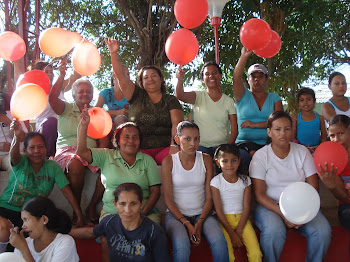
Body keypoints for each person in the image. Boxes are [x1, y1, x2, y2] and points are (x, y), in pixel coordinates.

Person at [249, 111, 331, 262]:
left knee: (322, 231)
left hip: (303, 204)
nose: (283, 134)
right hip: (271, 205)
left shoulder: (302, 152)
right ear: (269, 132)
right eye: (277, 129)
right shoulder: (260, 156)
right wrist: (284, 213)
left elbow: (313, 188)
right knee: (273, 231)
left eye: (287, 129)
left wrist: (301, 213)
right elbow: (259, 194)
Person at [0, 122, 84, 253]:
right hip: (6, 209)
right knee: (4, 230)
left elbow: (67, 191)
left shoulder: (52, 166)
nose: (36, 151)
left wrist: (79, 215)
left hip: (33, 217)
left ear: (46, 148)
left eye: (40, 147)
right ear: (26, 151)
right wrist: (16, 138)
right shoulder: (21, 161)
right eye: (32, 148)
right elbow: (14, 156)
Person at [106, 38, 184, 165]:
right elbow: (120, 76)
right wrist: (114, 53)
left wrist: (174, 147)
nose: (150, 79)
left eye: (154, 76)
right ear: (141, 82)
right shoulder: (136, 95)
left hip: (166, 148)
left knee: (173, 161)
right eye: (145, 77)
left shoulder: (170, 100)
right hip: (139, 149)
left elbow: (177, 124)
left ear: (161, 79)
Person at [76, 107, 162, 223]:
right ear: (117, 140)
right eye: (126, 137)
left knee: (151, 235)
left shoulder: (147, 160)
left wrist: (142, 214)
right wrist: (83, 126)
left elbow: (155, 191)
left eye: (135, 137)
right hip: (112, 214)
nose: (131, 141)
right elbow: (81, 152)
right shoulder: (106, 155)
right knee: (109, 238)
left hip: (143, 214)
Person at [49, 62, 109, 223]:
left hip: (89, 152)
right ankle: (77, 209)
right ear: (74, 94)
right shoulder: (65, 108)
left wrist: (104, 159)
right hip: (67, 151)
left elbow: (104, 140)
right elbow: (52, 98)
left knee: (110, 166)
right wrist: (61, 75)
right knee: (75, 164)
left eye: (88, 91)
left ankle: (91, 207)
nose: (85, 94)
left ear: (92, 95)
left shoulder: (97, 113)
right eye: (80, 91)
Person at [162, 121, 229, 262]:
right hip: (176, 216)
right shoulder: (169, 162)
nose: (193, 143)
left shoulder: (205, 159)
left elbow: (209, 197)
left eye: (196, 139)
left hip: (202, 214)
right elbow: (168, 200)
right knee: (181, 244)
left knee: (219, 241)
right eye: (187, 139)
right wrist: (186, 223)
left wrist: (199, 223)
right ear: (177, 139)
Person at [70, 183, 170, 262]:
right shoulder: (109, 222)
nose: (127, 210)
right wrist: (65, 231)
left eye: (133, 204)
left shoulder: (154, 231)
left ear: (141, 204)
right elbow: (90, 233)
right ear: (115, 204)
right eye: (122, 204)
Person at [15, 60, 80, 158]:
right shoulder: (34, 90)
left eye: (51, 72)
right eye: (46, 72)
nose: (50, 75)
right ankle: (46, 160)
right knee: (51, 122)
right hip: (46, 129)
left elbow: (76, 75)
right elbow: (20, 82)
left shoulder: (58, 86)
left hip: (63, 127)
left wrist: (74, 57)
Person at [211, 144, 262, 262]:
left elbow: (247, 207)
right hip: (224, 221)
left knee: (256, 254)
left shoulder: (246, 181)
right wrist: (232, 233)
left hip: (242, 220)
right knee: (229, 255)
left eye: (234, 160)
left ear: (239, 161)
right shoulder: (215, 182)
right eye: (225, 161)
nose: (229, 165)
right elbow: (218, 210)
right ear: (218, 162)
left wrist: (239, 230)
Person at [233, 47, 283, 157]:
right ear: (248, 79)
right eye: (253, 77)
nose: (257, 80)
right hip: (244, 143)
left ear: (266, 79)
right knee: (248, 157)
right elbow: (236, 77)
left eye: (260, 77)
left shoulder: (275, 98)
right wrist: (244, 56)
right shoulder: (242, 95)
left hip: (270, 143)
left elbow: (278, 123)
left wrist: (254, 124)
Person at [317, 114, 350, 254]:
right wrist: (331, 186)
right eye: (332, 136)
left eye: (341, 134)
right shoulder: (331, 159)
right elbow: (344, 198)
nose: (337, 140)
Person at [11, 197, 79, 262]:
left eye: (26, 220)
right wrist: (22, 247)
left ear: (44, 219)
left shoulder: (64, 242)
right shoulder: (25, 243)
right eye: (23, 221)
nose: (23, 226)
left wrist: (24, 249)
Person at [291, 87, 327, 152]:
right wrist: (300, 147)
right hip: (300, 150)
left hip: (317, 150)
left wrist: (320, 147)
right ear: (298, 103)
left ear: (314, 101)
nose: (305, 102)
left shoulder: (320, 118)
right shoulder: (296, 119)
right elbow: (293, 137)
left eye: (308, 99)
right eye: (302, 100)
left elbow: (324, 136)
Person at [0, 92, 28, 171]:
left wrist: (9, 122)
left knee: (20, 162)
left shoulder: (13, 114)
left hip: (12, 155)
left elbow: (23, 138)